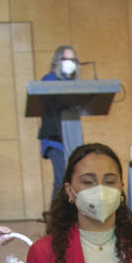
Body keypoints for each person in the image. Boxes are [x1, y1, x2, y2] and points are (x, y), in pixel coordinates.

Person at [37, 44, 80, 196]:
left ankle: (65, 215)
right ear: (57, 61)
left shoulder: (75, 84)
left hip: (70, 137)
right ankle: (56, 217)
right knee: (62, 179)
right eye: (65, 59)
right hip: (54, 137)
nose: (69, 62)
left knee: (71, 179)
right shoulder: (49, 78)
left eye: (72, 59)